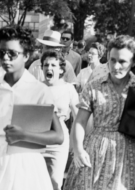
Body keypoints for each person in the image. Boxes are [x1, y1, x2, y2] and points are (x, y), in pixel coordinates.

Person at [0, 25, 64, 190]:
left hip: (27, 164)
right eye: (1, 53)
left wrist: (24, 134)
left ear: (26, 55)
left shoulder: (39, 90)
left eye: (12, 54)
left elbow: (58, 136)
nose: (5, 58)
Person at [64, 35, 135, 190]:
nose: (116, 66)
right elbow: (80, 121)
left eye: (122, 61)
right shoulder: (94, 86)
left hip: (128, 153)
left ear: (133, 62)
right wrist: (78, 149)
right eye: (112, 60)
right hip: (94, 149)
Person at [41, 50, 79, 190]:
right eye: (45, 65)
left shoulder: (69, 89)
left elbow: (78, 118)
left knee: (55, 182)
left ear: (61, 69)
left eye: (53, 65)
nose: (48, 68)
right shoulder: (36, 87)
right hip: (37, 139)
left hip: (59, 142)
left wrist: (76, 144)